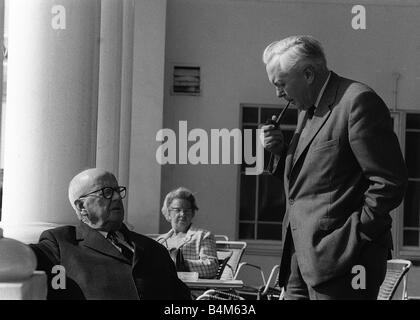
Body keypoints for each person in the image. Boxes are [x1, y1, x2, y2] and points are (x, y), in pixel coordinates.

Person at [260, 35, 407, 300]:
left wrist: (353, 237)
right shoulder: (308, 108)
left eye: (280, 84)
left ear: (308, 74)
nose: (278, 93)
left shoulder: (357, 101)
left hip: (345, 264)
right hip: (301, 261)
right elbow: (308, 184)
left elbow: (389, 183)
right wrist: (280, 153)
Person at [29, 168, 191, 300]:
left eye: (117, 191)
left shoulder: (154, 249)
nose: (116, 197)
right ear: (81, 206)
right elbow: (14, 259)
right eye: (106, 192)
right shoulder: (60, 244)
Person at [157, 187, 219, 279]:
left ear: (193, 213)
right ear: (169, 213)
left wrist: (179, 263)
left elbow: (211, 267)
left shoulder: (202, 236)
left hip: (190, 290)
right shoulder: (160, 240)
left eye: (186, 210)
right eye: (177, 210)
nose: (182, 214)